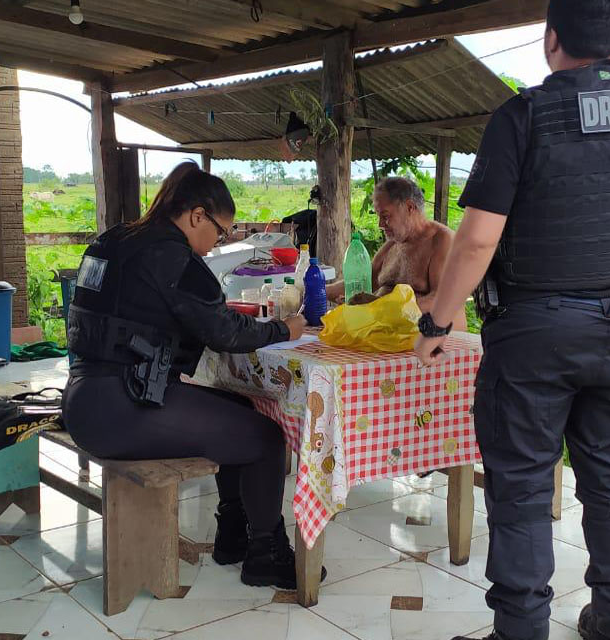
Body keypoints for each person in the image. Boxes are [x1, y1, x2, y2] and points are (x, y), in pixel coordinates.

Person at [413, 1, 610, 639]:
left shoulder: (525, 117)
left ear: (551, 40)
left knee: (519, 488)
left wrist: (437, 325)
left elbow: (476, 242)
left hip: (534, 334)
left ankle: (520, 630)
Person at [62, 161, 323, 590]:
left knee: (239, 406)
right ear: (196, 215)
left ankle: (233, 535)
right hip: (121, 408)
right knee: (267, 438)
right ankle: (265, 553)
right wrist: (285, 329)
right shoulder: (172, 256)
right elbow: (224, 332)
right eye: (219, 232)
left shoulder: (114, 239)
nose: (214, 244)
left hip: (83, 398)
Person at [327, 176, 468, 330]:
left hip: (436, 342)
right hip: (391, 336)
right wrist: (317, 291)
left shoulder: (443, 241)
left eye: (385, 216)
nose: (380, 224)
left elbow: (442, 299)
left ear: (409, 207)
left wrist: (380, 309)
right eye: (379, 217)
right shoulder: (392, 245)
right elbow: (360, 282)